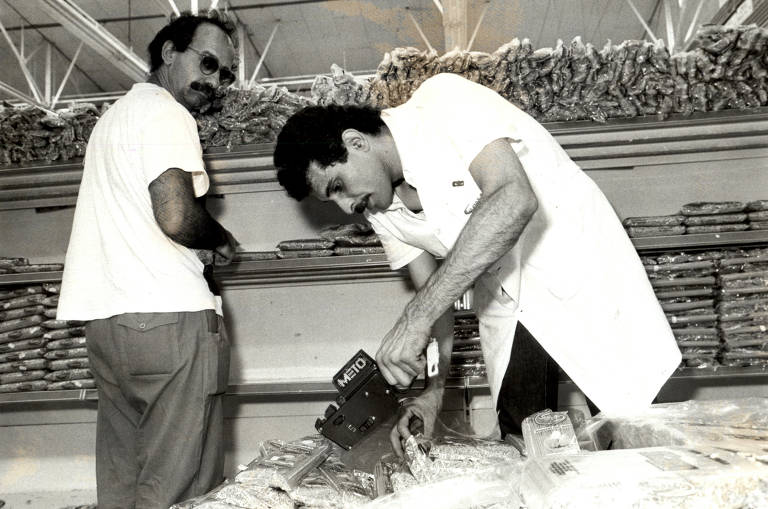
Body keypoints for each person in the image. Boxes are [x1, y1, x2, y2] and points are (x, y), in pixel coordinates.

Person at [273, 72, 682, 455]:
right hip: (509, 305)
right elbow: (434, 300)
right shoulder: (380, 208)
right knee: (527, 445)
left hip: (581, 276)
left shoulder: (441, 101)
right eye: (333, 200)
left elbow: (513, 198)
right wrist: (434, 390)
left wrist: (416, 315)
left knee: (632, 435)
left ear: (356, 142)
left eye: (339, 186)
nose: (347, 207)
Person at [57, 11, 239, 508]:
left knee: (124, 482)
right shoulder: (167, 113)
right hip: (168, 320)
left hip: (108, 326)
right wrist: (221, 238)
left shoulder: (112, 120)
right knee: (181, 488)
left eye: (225, 74)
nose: (215, 82)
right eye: (208, 63)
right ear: (169, 53)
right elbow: (176, 216)